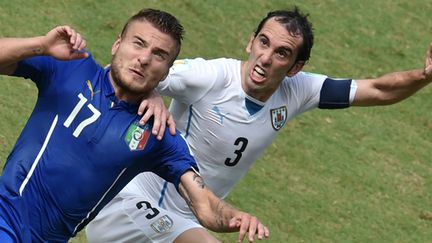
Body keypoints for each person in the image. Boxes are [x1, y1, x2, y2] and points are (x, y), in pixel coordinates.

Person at [86, 6, 432, 243]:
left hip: (188, 218)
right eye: (263, 43)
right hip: (130, 200)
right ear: (250, 41)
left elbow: (379, 89)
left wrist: (425, 75)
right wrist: (155, 92)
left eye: (282, 53)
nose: (266, 58)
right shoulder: (209, 77)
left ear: (295, 67)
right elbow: (123, 77)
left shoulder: (299, 90)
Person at [0, 8, 270, 243]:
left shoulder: (159, 135)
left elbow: (204, 204)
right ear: (117, 44)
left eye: (159, 54)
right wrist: (41, 45)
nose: (144, 58)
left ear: (166, 71)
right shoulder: (70, 67)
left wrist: (234, 217)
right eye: (138, 44)